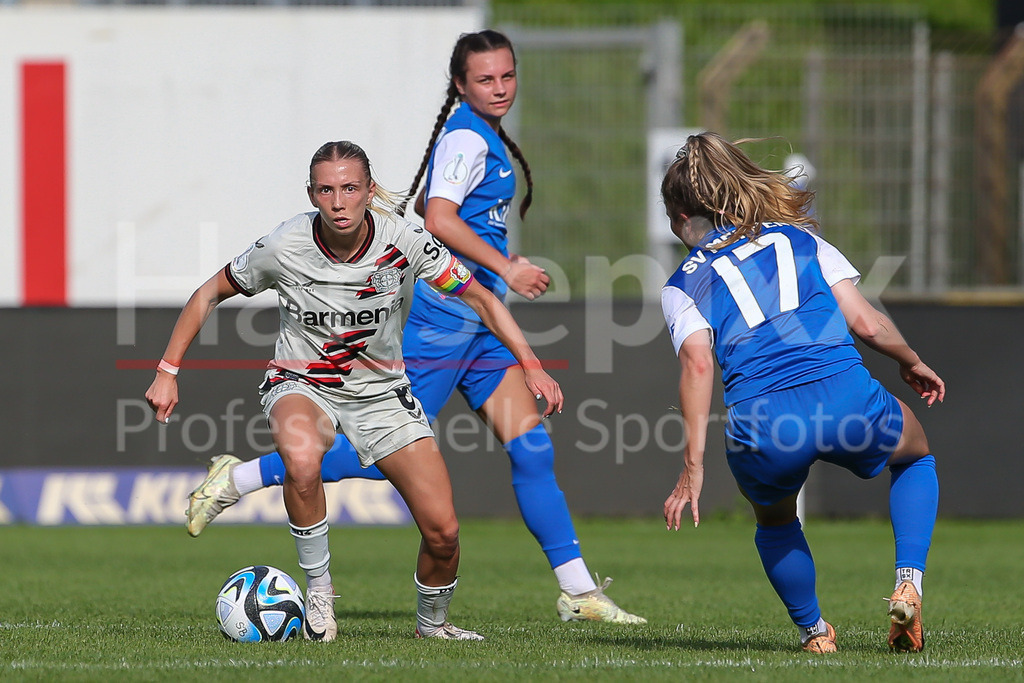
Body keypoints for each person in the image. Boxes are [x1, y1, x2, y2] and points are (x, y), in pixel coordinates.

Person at [185, 29, 645, 625]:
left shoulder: (485, 136)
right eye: (485, 79)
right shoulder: (464, 139)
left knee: (531, 447)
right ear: (460, 85)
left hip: (478, 328)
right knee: (381, 449)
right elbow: (438, 216)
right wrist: (506, 264)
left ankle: (577, 590)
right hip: (442, 322)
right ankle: (240, 477)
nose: (499, 88)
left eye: (508, 76)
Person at [147, 140, 564, 642]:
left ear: (369, 191)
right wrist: (168, 369)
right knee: (303, 459)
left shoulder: (405, 241)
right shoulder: (285, 245)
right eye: (326, 190)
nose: (338, 202)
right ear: (311, 193)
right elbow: (209, 292)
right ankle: (320, 594)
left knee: (444, 532)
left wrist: (531, 363)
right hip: (301, 383)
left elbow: (478, 295)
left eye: (349, 188)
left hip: (383, 394)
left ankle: (433, 625)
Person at [659, 132, 941, 653]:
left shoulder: (682, 283)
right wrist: (912, 361)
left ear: (681, 221)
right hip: (845, 397)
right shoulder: (800, 239)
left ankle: (815, 633)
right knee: (916, 456)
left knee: (774, 519)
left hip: (763, 424)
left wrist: (693, 467)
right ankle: (908, 583)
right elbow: (869, 324)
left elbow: (698, 364)